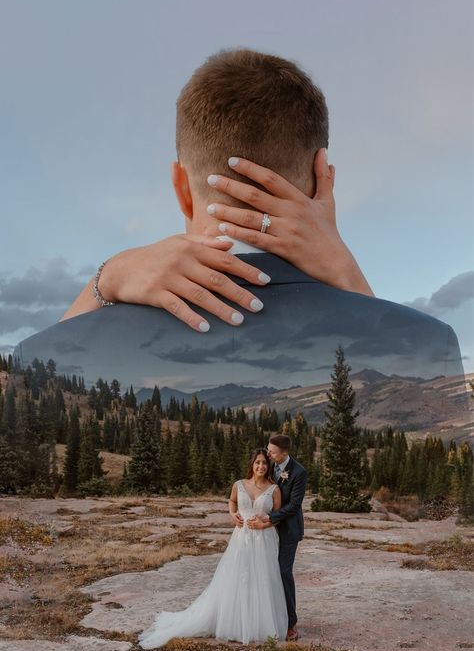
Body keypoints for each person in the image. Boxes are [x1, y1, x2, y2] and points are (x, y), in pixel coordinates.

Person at [14, 49, 466, 417]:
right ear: (321, 179)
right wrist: (347, 274)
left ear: (180, 188)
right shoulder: (431, 342)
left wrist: (105, 279)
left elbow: (37, 376)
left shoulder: (37, 356)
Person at [138, 449, 288, 648]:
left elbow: (278, 517)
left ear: (268, 466)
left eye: (264, 463)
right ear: (251, 464)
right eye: (257, 462)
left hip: (264, 540)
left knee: (261, 579)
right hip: (241, 538)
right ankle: (235, 622)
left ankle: (259, 624)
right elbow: (232, 501)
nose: (261, 466)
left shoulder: (274, 489)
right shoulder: (239, 485)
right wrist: (232, 514)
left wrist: (264, 524)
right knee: (238, 578)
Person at [247, 434, 307, 642]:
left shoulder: (299, 472)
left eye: (272, 451)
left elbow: (294, 505)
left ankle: (290, 623)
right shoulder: (270, 466)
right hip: (267, 531)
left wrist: (269, 518)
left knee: (282, 572)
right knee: (265, 572)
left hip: (288, 530)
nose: (268, 453)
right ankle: (268, 617)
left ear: (284, 453)